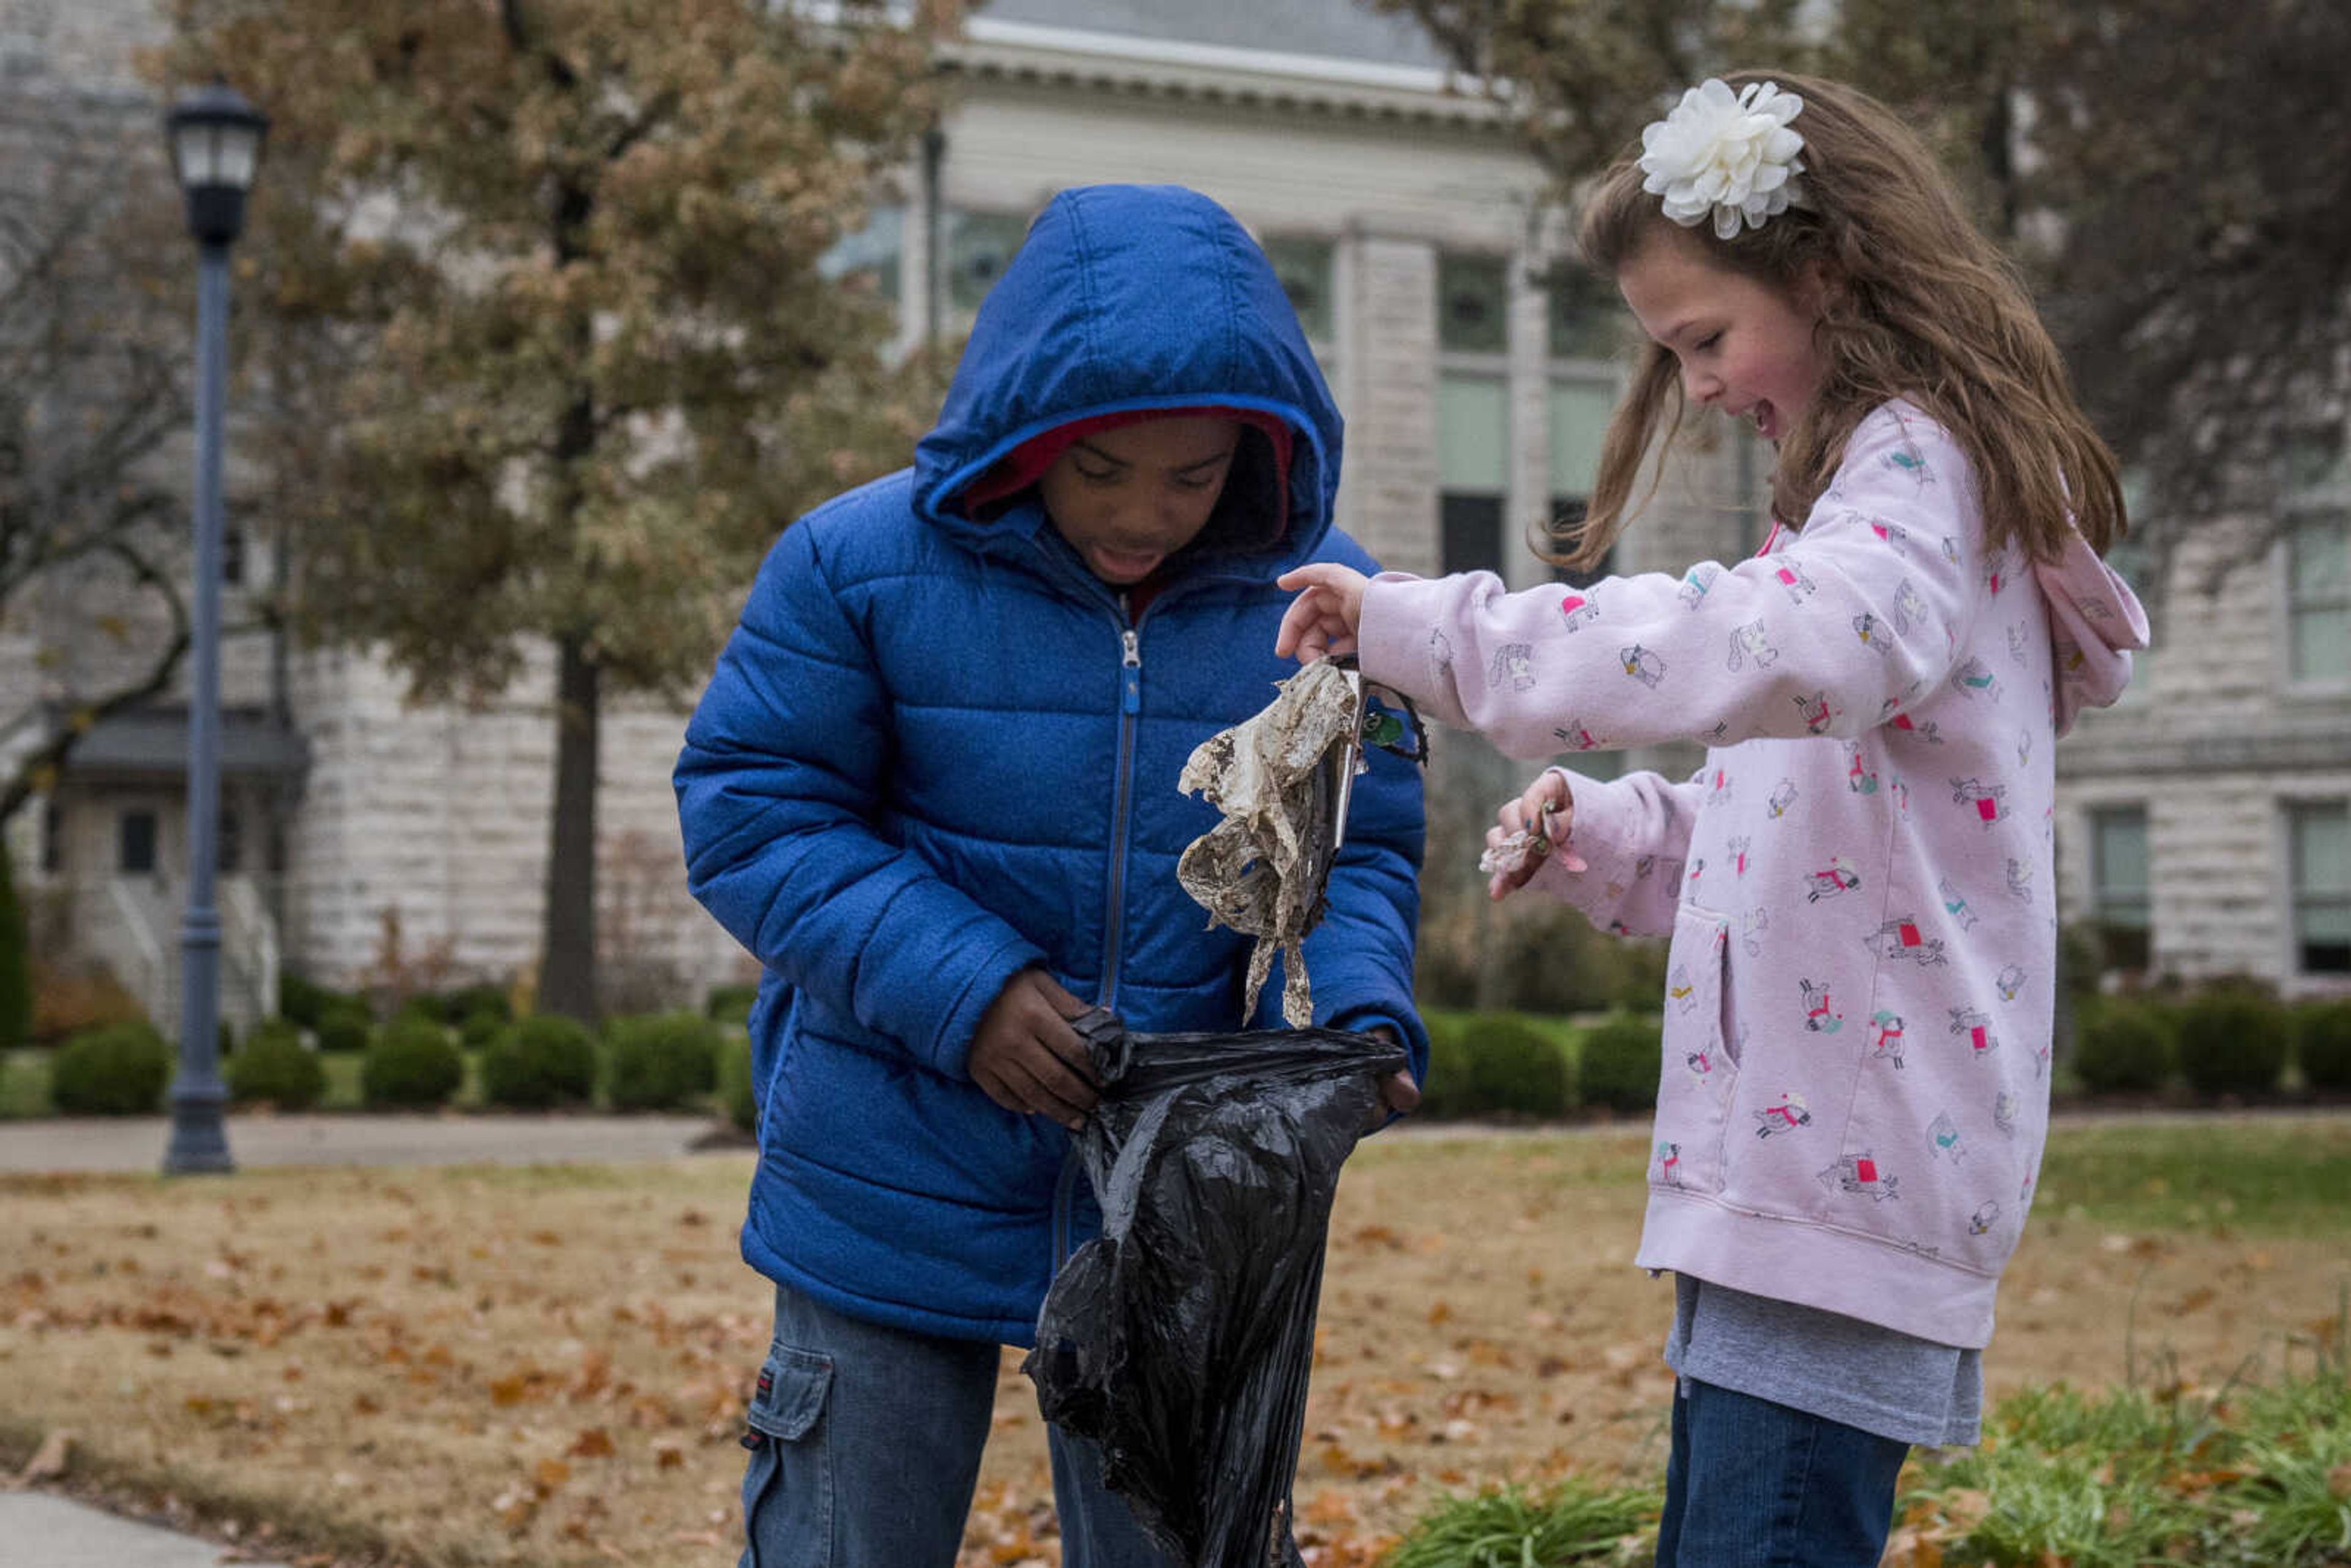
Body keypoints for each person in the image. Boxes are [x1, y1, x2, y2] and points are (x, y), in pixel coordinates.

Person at [1273, 72, 2150, 1568]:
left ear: (1825, 277)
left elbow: (1780, 641)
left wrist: (1443, 633)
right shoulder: (1875, 509)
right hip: (1798, 1172)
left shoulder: (1916, 477)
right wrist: (1616, 835)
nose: (1694, 386)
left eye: (1705, 339)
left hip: (1839, 1183)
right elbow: (1818, 842)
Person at [674, 182, 1428, 1568]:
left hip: (1182, 1209)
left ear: (1256, 454)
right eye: (1105, 473)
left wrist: (1347, 1022)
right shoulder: (853, 565)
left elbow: (1357, 850)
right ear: (1029, 435)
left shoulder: (1327, 607)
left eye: (1194, 477)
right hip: (886, 1171)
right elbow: (752, 813)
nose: (1148, 514)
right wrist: (970, 993)